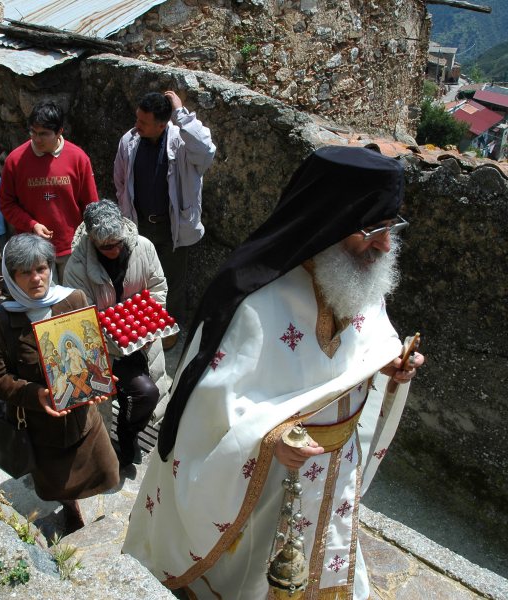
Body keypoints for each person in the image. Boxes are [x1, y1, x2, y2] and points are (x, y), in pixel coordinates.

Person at [122, 146, 426, 599]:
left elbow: (367, 346)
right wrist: (269, 441)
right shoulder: (256, 301)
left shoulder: (360, 276)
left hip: (336, 469)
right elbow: (210, 408)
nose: (384, 244)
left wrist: (392, 368)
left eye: (391, 226)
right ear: (332, 219)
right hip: (264, 479)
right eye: (371, 229)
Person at [0, 233, 119, 533]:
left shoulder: (72, 299)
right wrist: (34, 394)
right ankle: (70, 507)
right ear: (11, 276)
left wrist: (99, 376)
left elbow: (87, 348)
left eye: (41, 269)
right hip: (42, 426)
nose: (36, 279)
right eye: (25, 272)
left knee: (104, 470)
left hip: (82, 416)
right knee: (59, 483)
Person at [63, 200, 168, 467]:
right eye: (106, 247)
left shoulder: (143, 247)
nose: (114, 250)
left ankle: (128, 431)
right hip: (105, 348)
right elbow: (80, 318)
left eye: (119, 243)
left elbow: (158, 287)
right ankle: (113, 438)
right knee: (125, 396)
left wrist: (144, 319)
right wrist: (115, 331)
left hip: (142, 342)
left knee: (147, 394)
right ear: (92, 242)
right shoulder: (76, 267)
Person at [114, 90, 215, 336]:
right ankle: (142, 330)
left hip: (173, 228)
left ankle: (169, 332)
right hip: (139, 226)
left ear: (162, 124)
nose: (136, 126)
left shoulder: (181, 142)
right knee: (138, 281)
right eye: (137, 119)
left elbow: (206, 150)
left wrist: (181, 114)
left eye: (143, 122)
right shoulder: (129, 140)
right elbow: (119, 180)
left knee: (172, 284)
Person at [0, 100, 99, 282]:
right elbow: (6, 204)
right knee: (42, 307)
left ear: (60, 131)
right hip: (33, 251)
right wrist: (31, 225)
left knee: (74, 303)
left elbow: (91, 206)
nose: (37, 139)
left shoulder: (78, 158)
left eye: (44, 134)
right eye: (33, 132)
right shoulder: (15, 161)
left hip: (72, 249)